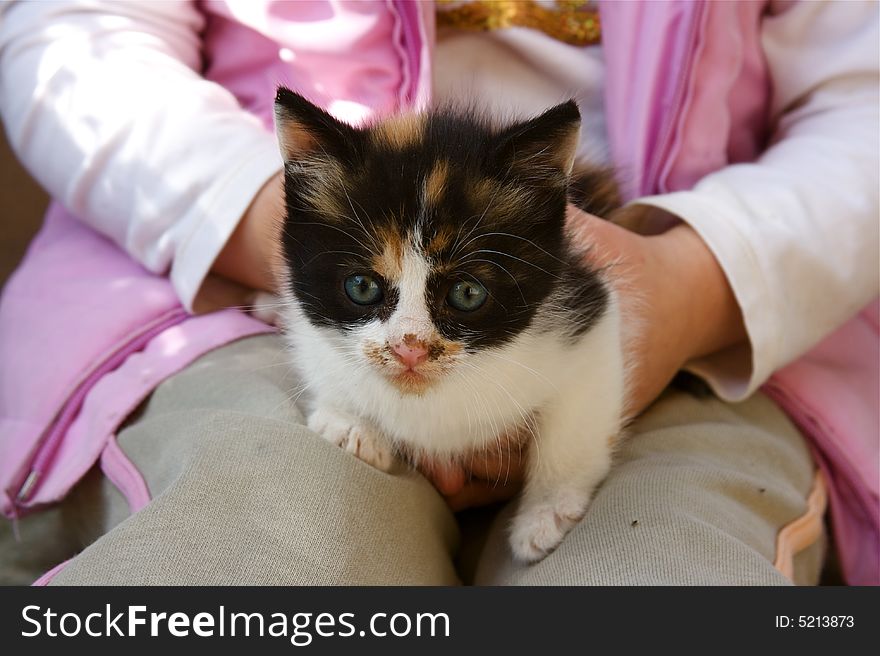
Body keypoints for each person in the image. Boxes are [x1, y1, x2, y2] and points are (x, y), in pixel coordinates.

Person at [0, 0, 876, 586]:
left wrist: (689, 287)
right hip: (224, 294)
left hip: (708, 318)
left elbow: (863, 110)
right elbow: (73, 37)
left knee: (668, 569)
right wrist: (274, 216)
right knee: (249, 552)